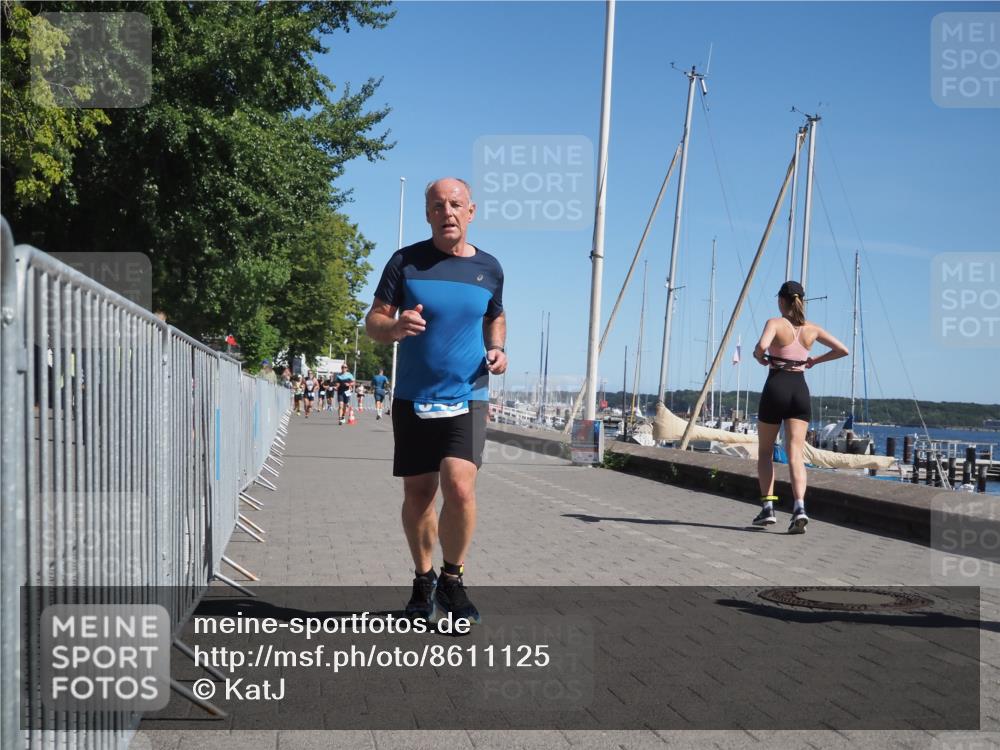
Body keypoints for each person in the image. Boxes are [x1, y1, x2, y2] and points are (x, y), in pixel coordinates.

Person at [365, 177, 507, 625]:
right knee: (419, 495)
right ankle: (423, 578)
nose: (447, 211)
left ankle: (452, 577)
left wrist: (498, 347)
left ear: (471, 211)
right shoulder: (404, 262)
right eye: (438, 205)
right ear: (428, 214)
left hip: (469, 393)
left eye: (456, 204)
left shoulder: (489, 268)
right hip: (413, 396)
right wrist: (394, 327)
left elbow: (496, 314)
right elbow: (373, 321)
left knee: (460, 488)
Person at [751, 280, 849, 533]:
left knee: (765, 452)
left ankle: (768, 508)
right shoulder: (812, 330)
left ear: (781, 300)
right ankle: (799, 508)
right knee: (795, 454)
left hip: (776, 387)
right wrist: (815, 360)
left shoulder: (774, 323)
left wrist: (761, 358)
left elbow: (761, 347)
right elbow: (842, 350)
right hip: (800, 390)